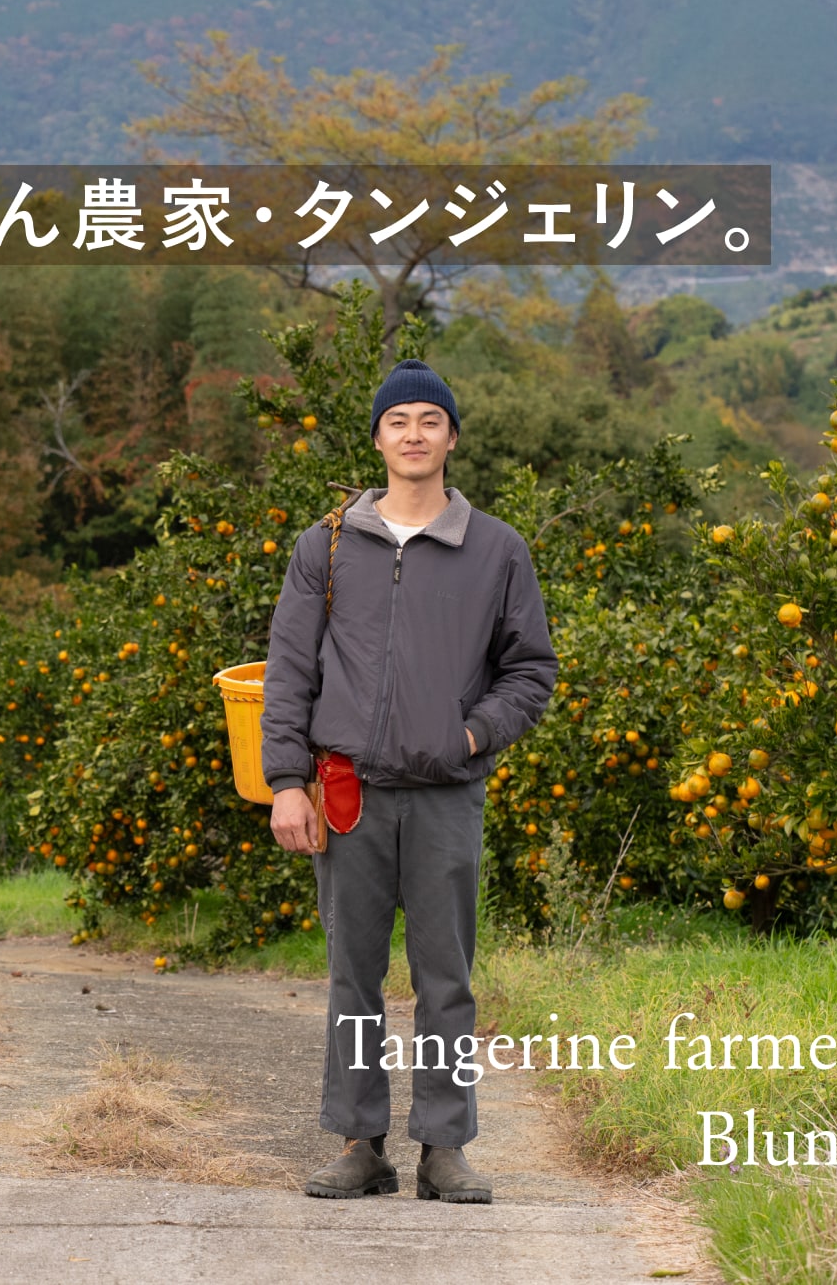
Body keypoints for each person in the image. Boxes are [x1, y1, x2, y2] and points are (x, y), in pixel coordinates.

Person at [259, 358, 556, 1204]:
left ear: (452, 438)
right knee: (352, 976)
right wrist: (286, 780)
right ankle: (362, 1144)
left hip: (446, 795)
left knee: (444, 979)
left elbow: (530, 671)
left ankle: (444, 1148)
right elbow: (290, 669)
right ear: (378, 439)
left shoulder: (496, 548)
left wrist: (469, 734)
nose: (414, 434)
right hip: (345, 791)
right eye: (399, 421)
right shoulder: (326, 545)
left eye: (430, 421)